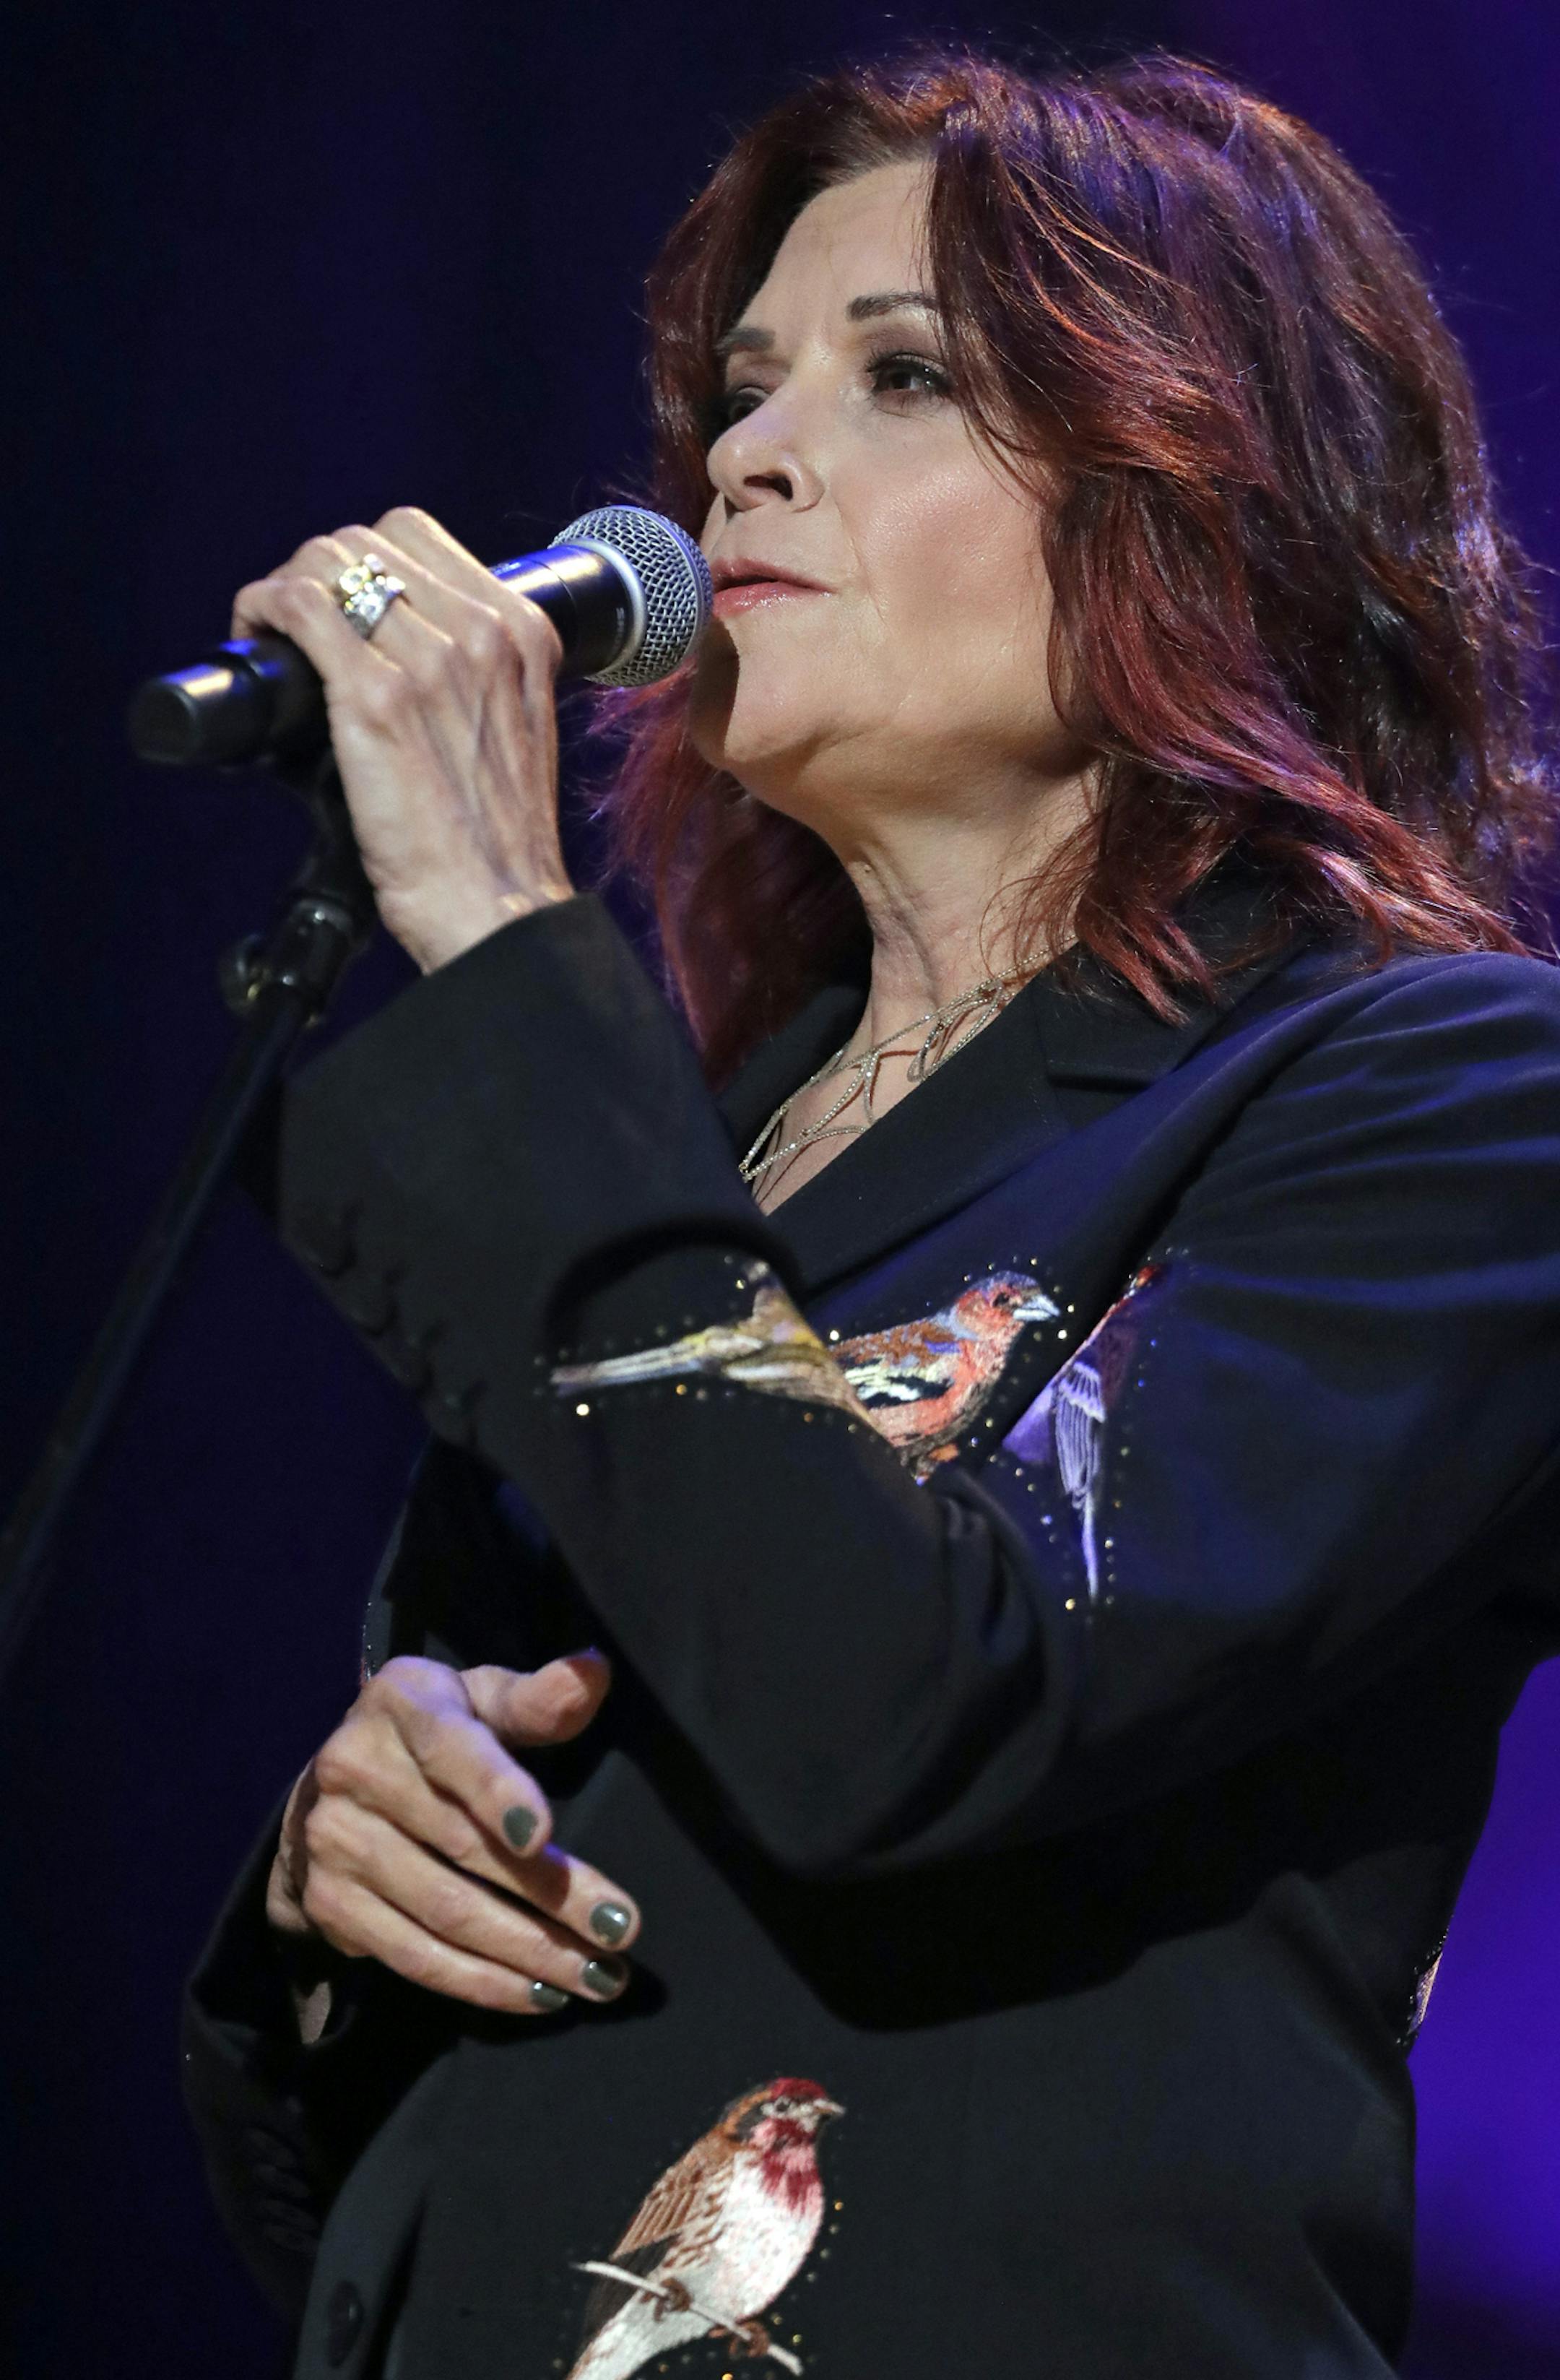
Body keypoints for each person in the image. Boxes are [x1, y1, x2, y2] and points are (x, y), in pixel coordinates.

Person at [182, 48, 1560, 2380]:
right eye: (738, 393)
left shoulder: (1442, 1096)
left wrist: (518, 941)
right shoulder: (692, 1164)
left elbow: (921, 1713)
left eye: (901, 374)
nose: (741, 458)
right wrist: (361, 1853)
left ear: (1204, 493)